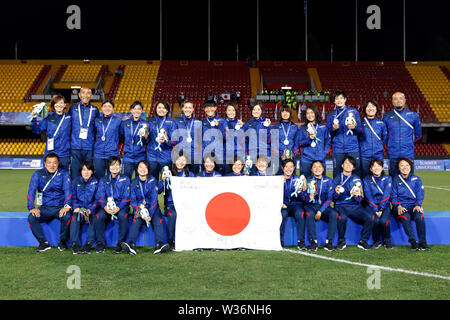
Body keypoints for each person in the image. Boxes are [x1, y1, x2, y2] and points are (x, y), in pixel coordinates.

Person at [121, 160, 170, 255]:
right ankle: (132, 244)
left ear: (148, 169)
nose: (143, 169)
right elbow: (133, 200)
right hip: (140, 208)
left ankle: (159, 244)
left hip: (152, 208)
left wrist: (149, 214)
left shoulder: (153, 180)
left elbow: (154, 199)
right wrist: (140, 211)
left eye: (145, 167)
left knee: (158, 220)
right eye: (140, 167)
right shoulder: (134, 182)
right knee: (136, 220)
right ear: (137, 169)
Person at [26, 153, 72, 252]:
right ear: (45, 164)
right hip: (45, 208)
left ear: (58, 163)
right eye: (49, 163)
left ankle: (62, 241)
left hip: (60, 207)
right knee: (31, 217)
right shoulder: (37, 174)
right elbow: (31, 191)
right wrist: (31, 207)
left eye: (54, 163)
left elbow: (68, 190)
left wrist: (67, 206)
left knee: (67, 216)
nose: (52, 165)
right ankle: (43, 242)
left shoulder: (64, 173)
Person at [333, 156, 374, 250]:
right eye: (346, 163)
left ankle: (363, 241)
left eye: (350, 164)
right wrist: (336, 193)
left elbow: (360, 199)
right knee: (342, 218)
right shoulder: (337, 179)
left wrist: (357, 196)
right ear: (342, 165)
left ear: (354, 167)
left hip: (354, 207)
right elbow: (333, 199)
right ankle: (341, 241)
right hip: (340, 206)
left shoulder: (357, 180)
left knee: (370, 217)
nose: (348, 165)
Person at [159, 151, 195, 250]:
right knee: (173, 215)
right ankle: (171, 241)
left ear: (187, 162)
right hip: (171, 205)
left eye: (183, 160)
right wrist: (163, 181)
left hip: (185, 204)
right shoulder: (168, 173)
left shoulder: (190, 174)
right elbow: (159, 190)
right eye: (178, 159)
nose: (180, 162)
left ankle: (191, 240)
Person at [391, 157, 429, 251]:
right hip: (400, 206)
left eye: (407, 165)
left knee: (419, 216)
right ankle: (413, 241)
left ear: (410, 167)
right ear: (398, 168)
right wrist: (398, 206)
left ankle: (423, 242)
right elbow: (393, 196)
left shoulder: (416, 179)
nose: (405, 167)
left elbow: (420, 193)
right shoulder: (395, 180)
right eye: (402, 165)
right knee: (405, 217)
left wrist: (418, 205)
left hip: (413, 206)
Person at [95, 156, 131, 253]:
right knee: (99, 216)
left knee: (123, 216)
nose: (115, 167)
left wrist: (119, 207)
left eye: (117, 165)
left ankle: (120, 243)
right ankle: (101, 243)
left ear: (120, 166)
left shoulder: (125, 179)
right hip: (107, 206)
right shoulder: (103, 179)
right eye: (112, 165)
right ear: (109, 167)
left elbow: (127, 197)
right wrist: (105, 207)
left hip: (120, 206)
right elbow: (100, 196)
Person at [382, 92, 422, 177]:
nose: (398, 100)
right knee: (393, 179)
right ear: (392, 101)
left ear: (405, 100)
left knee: (408, 179)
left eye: (400, 98)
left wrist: (408, 143)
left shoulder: (414, 116)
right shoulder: (386, 116)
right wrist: (391, 144)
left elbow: (418, 135)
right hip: (393, 153)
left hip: (407, 153)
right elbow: (384, 135)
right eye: (395, 99)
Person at [326, 90, 362, 178]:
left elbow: (361, 130)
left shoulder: (353, 112)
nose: (339, 100)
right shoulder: (331, 115)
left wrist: (355, 127)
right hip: (338, 148)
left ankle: (356, 191)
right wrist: (333, 129)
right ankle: (338, 191)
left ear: (345, 99)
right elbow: (327, 134)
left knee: (355, 172)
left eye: (341, 98)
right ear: (334, 101)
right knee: (337, 172)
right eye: (336, 99)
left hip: (352, 147)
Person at [303, 160, 338, 252]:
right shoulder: (307, 181)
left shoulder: (329, 180)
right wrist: (309, 197)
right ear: (311, 169)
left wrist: (320, 210)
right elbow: (304, 199)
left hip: (323, 207)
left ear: (323, 169)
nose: (317, 169)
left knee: (334, 213)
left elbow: (330, 199)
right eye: (315, 167)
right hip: (311, 206)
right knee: (309, 214)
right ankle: (313, 242)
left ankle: (329, 242)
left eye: (319, 167)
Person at [31, 95, 72, 171]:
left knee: (64, 177)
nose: (59, 105)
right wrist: (34, 119)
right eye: (56, 103)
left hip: (64, 154)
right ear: (53, 105)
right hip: (50, 152)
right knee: (48, 177)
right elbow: (37, 130)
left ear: (65, 105)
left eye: (61, 103)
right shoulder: (48, 117)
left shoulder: (69, 118)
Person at [68, 87, 100, 180]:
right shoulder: (73, 108)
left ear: (91, 95)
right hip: (75, 147)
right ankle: (74, 194)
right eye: (83, 93)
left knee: (88, 174)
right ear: (79, 95)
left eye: (88, 93)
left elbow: (96, 127)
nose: (85, 95)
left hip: (89, 147)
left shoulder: (95, 109)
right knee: (74, 174)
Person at [363, 159, 393, 249]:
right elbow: (368, 196)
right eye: (374, 166)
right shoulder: (366, 180)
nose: (376, 168)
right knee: (375, 220)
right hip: (372, 206)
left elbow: (387, 195)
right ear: (371, 169)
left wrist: (381, 208)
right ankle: (377, 240)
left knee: (384, 221)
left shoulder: (388, 178)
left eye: (378, 166)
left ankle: (387, 240)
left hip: (385, 205)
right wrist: (375, 209)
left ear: (382, 167)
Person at [69, 161, 98, 254]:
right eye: (84, 170)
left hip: (90, 209)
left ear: (92, 172)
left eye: (89, 170)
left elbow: (98, 199)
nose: (86, 172)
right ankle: (75, 244)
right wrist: (76, 207)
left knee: (94, 218)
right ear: (81, 171)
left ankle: (88, 244)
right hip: (79, 208)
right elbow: (73, 197)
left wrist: (91, 209)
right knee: (74, 217)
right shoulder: (75, 182)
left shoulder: (96, 182)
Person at [297, 105, 331, 178]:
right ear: (305, 115)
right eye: (307, 113)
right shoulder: (303, 128)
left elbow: (328, 142)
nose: (310, 115)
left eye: (312, 112)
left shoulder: (323, 127)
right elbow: (300, 143)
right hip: (306, 159)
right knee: (305, 181)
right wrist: (309, 139)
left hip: (320, 158)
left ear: (315, 113)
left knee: (321, 182)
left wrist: (324, 154)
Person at [280, 159, 307, 249]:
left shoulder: (298, 180)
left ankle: (301, 241)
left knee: (300, 214)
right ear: (282, 168)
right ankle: (280, 240)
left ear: (294, 168)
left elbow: (304, 198)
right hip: (284, 204)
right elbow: (273, 194)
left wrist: (300, 193)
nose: (289, 169)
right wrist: (280, 203)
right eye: (286, 166)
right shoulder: (278, 179)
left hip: (296, 204)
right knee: (282, 215)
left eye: (291, 166)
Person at [119, 101, 150, 179]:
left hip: (141, 157)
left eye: (139, 109)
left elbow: (148, 141)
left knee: (140, 180)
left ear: (142, 111)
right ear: (131, 110)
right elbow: (121, 138)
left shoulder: (146, 124)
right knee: (125, 180)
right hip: (127, 157)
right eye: (134, 108)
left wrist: (145, 137)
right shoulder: (124, 123)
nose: (136, 111)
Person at [93, 100, 122, 181]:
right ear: (101, 108)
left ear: (113, 109)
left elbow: (121, 135)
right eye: (105, 106)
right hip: (98, 154)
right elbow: (93, 134)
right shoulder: (96, 121)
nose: (107, 108)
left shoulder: (118, 121)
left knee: (112, 178)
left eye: (109, 106)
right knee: (98, 178)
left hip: (112, 153)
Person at [147, 100, 176, 179]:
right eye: (159, 107)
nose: (161, 110)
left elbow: (174, 141)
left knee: (166, 180)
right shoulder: (150, 121)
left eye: (164, 108)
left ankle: (166, 192)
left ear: (167, 110)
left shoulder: (171, 122)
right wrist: (145, 136)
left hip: (165, 157)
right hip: (152, 156)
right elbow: (147, 139)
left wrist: (166, 141)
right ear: (156, 109)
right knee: (152, 179)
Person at [173, 99, 203, 174]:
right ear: (182, 109)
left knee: (194, 176)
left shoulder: (198, 122)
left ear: (193, 109)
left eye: (190, 108)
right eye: (186, 107)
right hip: (181, 154)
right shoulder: (176, 121)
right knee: (180, 175)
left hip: (194, 154)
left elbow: (200, 139)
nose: (188, 110)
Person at [359, 100, 388, 178]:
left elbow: (384, 138)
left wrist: (378, 147)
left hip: (378, 155)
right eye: (368, 106)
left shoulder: (381, 124)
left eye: (373, 106)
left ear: (376, 109)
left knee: (379, 176)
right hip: (364, 155)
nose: (370, 108)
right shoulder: (360, 123)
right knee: (364, 177)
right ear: (365, 109)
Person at [270, 105, 301, 175]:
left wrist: (293, 153)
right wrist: (278, 154)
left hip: (292, 156)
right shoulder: (275, 126)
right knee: (279, 176)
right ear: (280, 113)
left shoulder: (294, 127)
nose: (285, 113)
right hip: (279, 157)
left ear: (290, 113)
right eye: (282, 111)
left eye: (287, 111)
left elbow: (297, 142)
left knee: (291, 175)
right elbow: (274, 142)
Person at [242, 101, 271, 171]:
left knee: (264, 175)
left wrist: (267, 128)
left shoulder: (266, 123)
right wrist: (246, 154)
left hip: (264, 153)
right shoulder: (247, 124)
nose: (256, 111)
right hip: (252, 154)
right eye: (254, 109)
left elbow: (269, 140)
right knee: (252, 175)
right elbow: (245, 141)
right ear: (251, 111)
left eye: (258, 109)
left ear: (261, 111)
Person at [201, 100, 227, 174]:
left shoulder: (222, 121)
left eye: (211, 107)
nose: (209, 109)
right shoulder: (202, 122)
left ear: (215, 108)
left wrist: (219, 126)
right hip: (207, 157)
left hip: (219, 156)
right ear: (204, 109)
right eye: (207, 107)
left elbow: (226, 138)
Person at [223, 102, 245, 175]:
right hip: (226, 156)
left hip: (238, 155)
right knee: (227, 177)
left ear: (236, 112)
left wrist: (243, 128)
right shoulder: (222, 123)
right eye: (229, 110)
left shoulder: (240, 124)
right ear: (226, 112)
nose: (231, 112)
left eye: (233, 110)